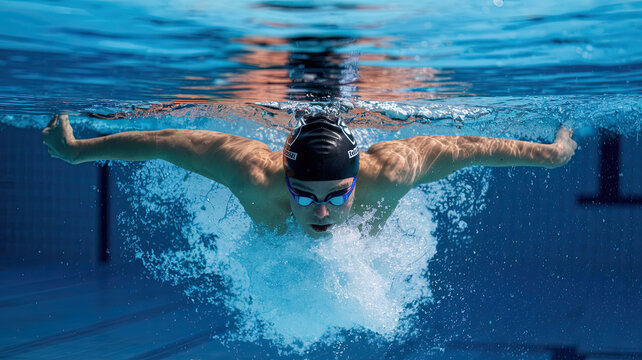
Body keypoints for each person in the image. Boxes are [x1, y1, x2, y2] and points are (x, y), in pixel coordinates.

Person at [42, 112, 577, 237]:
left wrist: (551, 154)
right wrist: (77, 151)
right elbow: (164, 143)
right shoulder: (254, 173)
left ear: (357, 178)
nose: (321, 211)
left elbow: (472, 146)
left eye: (336, 195)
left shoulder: (389, 172)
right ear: (283, 175)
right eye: (305, 195)